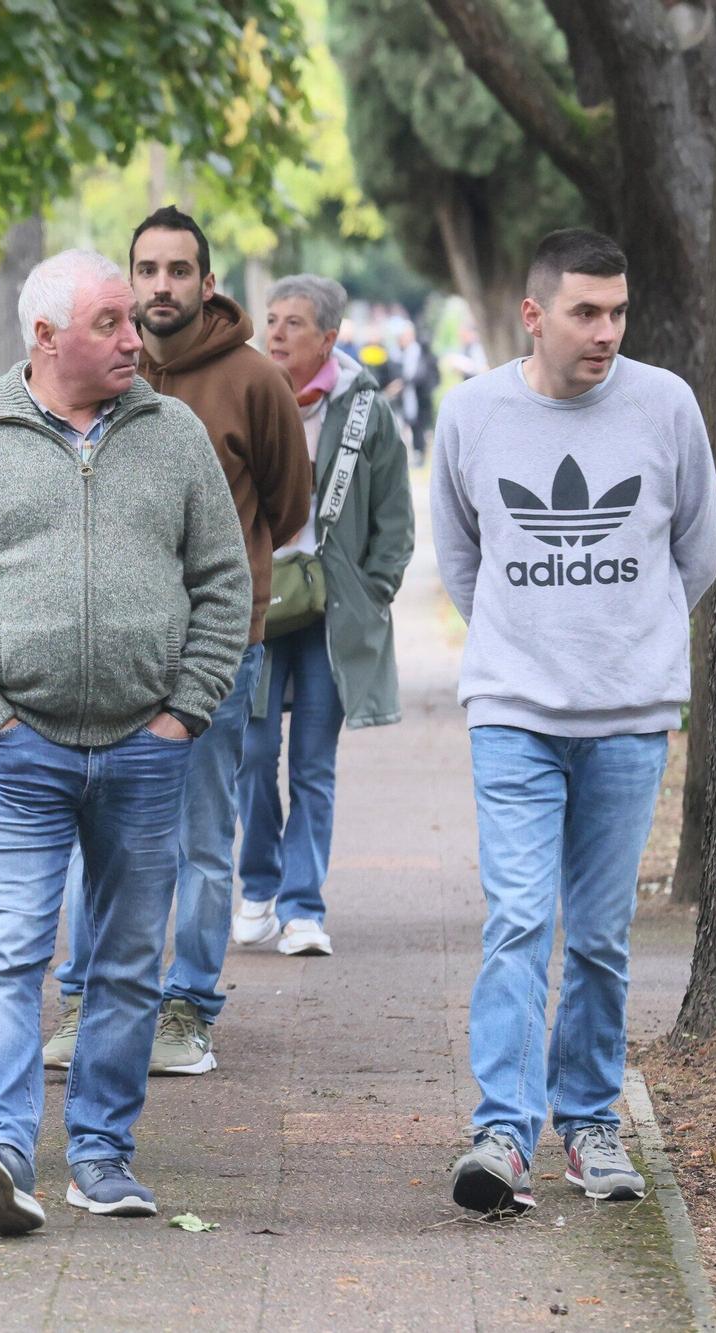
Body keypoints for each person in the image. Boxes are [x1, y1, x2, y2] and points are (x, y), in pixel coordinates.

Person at [0, 249, 250, 1236]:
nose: (133, 337)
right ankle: (4, 1152)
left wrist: (185, 709)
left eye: (131, 321)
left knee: (131, 961)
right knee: (10, 952)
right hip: (19, 753)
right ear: (45, 337)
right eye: (108, 323)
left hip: (147, 751)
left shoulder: (172, 434)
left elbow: (223, 584)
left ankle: (100, 1154)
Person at [431, 228, 716, 1213]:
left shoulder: (663, 406)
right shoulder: (471, 415)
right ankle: (501, 1136)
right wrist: (531, 642)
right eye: (584, 312)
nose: (605, 331)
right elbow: (461, 558)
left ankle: (588, 1124)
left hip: (628, 715)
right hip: (512, 707)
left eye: (617, 312)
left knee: (595, 933)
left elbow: (696, 550)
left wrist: (621, 642)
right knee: (517, 918)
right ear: (532, 315)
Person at [43, 207, 313, 1078]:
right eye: (146, 269)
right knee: (100, 832)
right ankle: (84, 998)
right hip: (108, 654)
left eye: (178, 269)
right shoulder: (95, 368)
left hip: (217, 654)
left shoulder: (253, 381)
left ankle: (187, 1007)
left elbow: (288, 506)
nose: (161, 285)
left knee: (202, 835)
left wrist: (229, 592)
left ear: (206, 280)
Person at [235, 275, 414, 959]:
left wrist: (374, 587)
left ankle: (303, 907)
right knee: (251, 755)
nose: (275, 333)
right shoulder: (246, 397)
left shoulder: (366, 413)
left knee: (312, 761)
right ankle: (258, 887)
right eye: (271, 320)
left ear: (330, 338)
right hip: (253, 603)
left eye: (293, 323)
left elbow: (395, 516)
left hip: (330, 614)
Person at [383, 323, 440, 463]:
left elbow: (424, 374)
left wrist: (404, 382)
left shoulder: (421, 352)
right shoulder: (394, 354)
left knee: (418, 429)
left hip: (418, 397)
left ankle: (419, 455)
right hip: (399, 398)